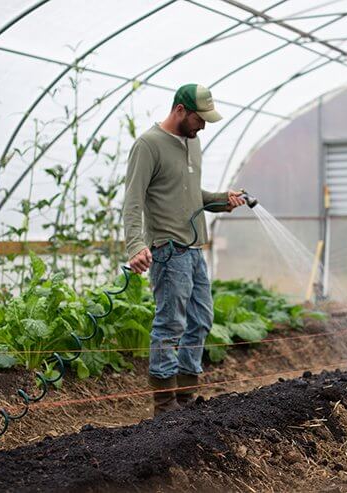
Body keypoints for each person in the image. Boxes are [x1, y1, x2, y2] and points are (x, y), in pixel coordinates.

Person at [122, 83, 246, 415]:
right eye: (199, 118)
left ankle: (187, 399)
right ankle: (165, 405)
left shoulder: (194, 143)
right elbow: (132, 202)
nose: (203, 125)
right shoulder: (148, 146)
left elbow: (191, 196)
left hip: (194, 249)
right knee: (170, 323)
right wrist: (135, 245)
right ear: (180, 110)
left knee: (201, 318)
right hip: (168, 250)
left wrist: (223, 200)